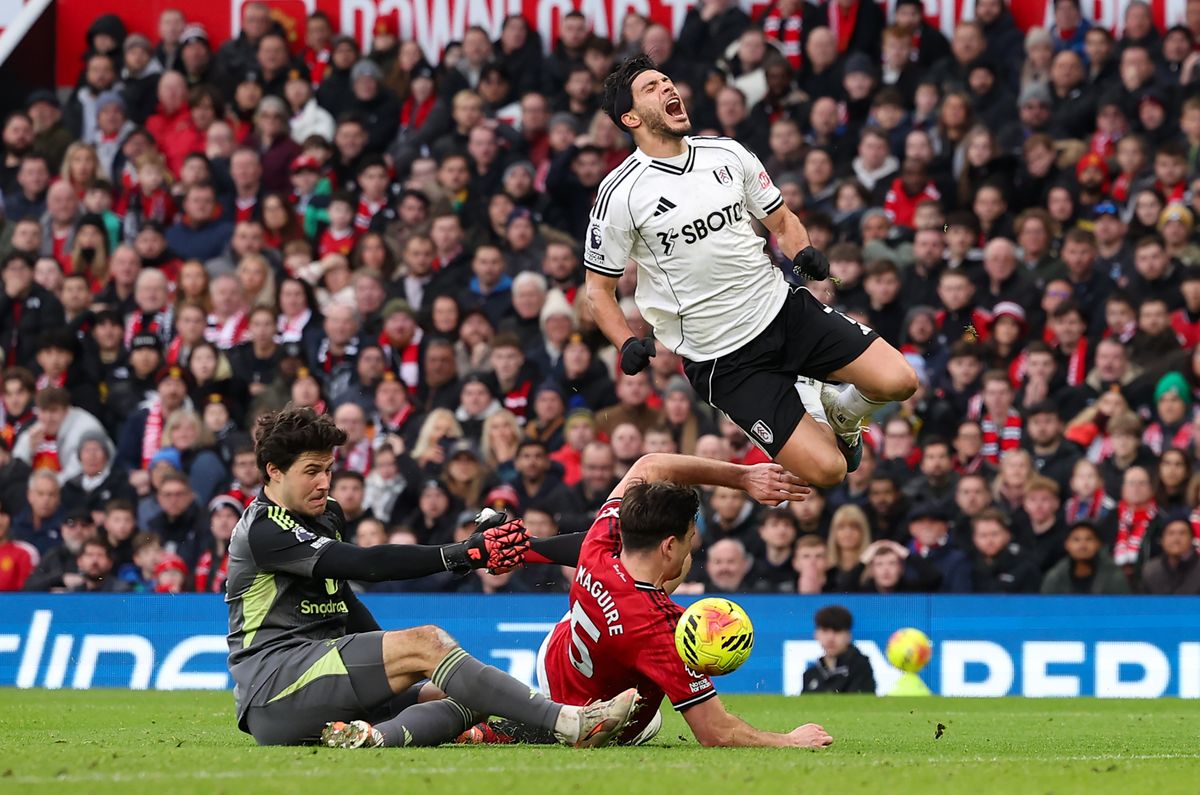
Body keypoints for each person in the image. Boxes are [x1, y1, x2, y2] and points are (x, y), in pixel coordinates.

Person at [586, 55, 918, 489]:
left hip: (782, 311)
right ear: (630, 117)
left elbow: (781, 219)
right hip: (723, 360)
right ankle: (809, 404)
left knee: (901, 381)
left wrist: (803, 252)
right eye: (651, 87)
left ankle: (842, 412)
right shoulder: (620, 194)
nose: (668, 88)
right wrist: (625, 340)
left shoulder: (726, 152)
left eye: (667, 80)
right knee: (831, 471)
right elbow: (598, 290)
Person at [225, 406, 640, 748]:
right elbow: (367, 564)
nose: (323, 483)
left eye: (328, 469)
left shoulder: (327, 512)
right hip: (275, 686)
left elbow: (343, 602)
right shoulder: (264, 529)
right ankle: (572, 722)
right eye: (311, 471)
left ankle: (371, 739)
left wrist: (392, 662)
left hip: (327, 675)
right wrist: (461, 554)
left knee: (468, 695)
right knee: (429, 642)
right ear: (273, 471)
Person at [513, 451, 830, 748]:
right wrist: (789, 739)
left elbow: (649, 464)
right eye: (688, 539)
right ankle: (549, 727)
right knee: (649, 723)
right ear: (667, 546)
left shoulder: (600, 541)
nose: (690, 546)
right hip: (593, 714)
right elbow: (715, 731)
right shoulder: (664, 629)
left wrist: (743, 477)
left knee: (649, 594)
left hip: (558, 657)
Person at [801, 605, 876, 694]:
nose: (830, 638)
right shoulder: (810, 674)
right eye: (825, 630)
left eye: (837, 631)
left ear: (848, 636)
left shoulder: (861, 667)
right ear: (816, 634)